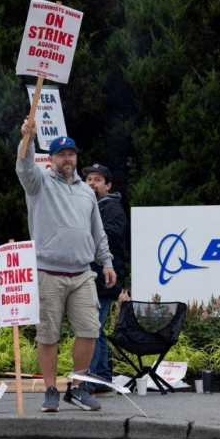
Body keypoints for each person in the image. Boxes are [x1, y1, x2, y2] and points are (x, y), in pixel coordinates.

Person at [16, 121, 116, 413]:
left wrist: (106, 262)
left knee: (89, 330)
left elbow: (98, 231)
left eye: (71, 154)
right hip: (48, 271)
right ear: (51, 159)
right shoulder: (39, 182)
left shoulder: (87, 192)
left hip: (83, 272)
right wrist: (28, 139)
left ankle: (77, 388)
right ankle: (50, 390)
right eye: (61, 154)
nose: (67, 159)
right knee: (48, 334)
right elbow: (24, 166)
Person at [81, 163, 127, 397]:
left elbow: (108, 237)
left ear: (108, 186)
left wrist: (82, 234)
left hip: (103, 280)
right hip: (90, 278)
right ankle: (100, 379)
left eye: (97, 180)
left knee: (92, 328)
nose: (92, 183)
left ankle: (93, 381)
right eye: (88, 179)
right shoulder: (88, 207)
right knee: (95, 329)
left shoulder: (112, 208)